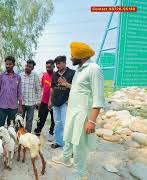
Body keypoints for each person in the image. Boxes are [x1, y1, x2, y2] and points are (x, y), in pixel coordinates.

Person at [51, 42, 105, 180]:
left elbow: (98, 98)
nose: (71, 58)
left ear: (81, 56)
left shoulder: (94, 69)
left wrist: (92, 121)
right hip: (72, 110)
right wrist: (66, 84)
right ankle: (66, 158)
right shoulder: (80, 69)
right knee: (68, 136)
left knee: (79, 144)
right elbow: (78, 88)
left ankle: (80, 173)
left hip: (82, 113)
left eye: (73, 55)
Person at [48, 56, 75, 149]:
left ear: (64, 62)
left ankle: (68, 146)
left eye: (59, 63)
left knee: (66, 124)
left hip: (66, 103)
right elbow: (52, 89)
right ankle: (59, 142)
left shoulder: (72, 73)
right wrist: (50, 101)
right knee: (58, 123)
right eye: (56, 64)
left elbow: (76, 88)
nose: (57, 66)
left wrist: (66, 84)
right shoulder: (55, 75)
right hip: (56, 103)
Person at [0, 56, 23, 127]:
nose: (8, 66)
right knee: (0, 126)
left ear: (13, 65)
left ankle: (10, 138)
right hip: (2, 107)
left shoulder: (18, 77)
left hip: (13, 107)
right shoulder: (1, 76)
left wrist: (20, 106)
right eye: (6, 64)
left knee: (11, 127)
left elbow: (19, 92)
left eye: (10, 64)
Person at [34, 60, 55, 136]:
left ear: (53, 66)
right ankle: (38, 130)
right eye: (46, 67)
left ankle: (52, 132)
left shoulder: (56, 75)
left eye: (49, 67)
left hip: (53, 102)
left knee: (54, 119)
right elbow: (42, 87)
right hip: (44, 101)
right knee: (41, 117)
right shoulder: (44, 75)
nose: (48, 68)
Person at [20, 59, 41, 132]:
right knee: (20, 120)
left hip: (31, 103)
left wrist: (38, 102)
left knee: (29, 121)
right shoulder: (20, 75)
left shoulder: (35, 76)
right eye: (26, 66)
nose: (27, 67)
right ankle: (20, 135)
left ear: (32, 68)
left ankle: (27, 136)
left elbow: (38, 89)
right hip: (21, 103)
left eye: (29, 66)